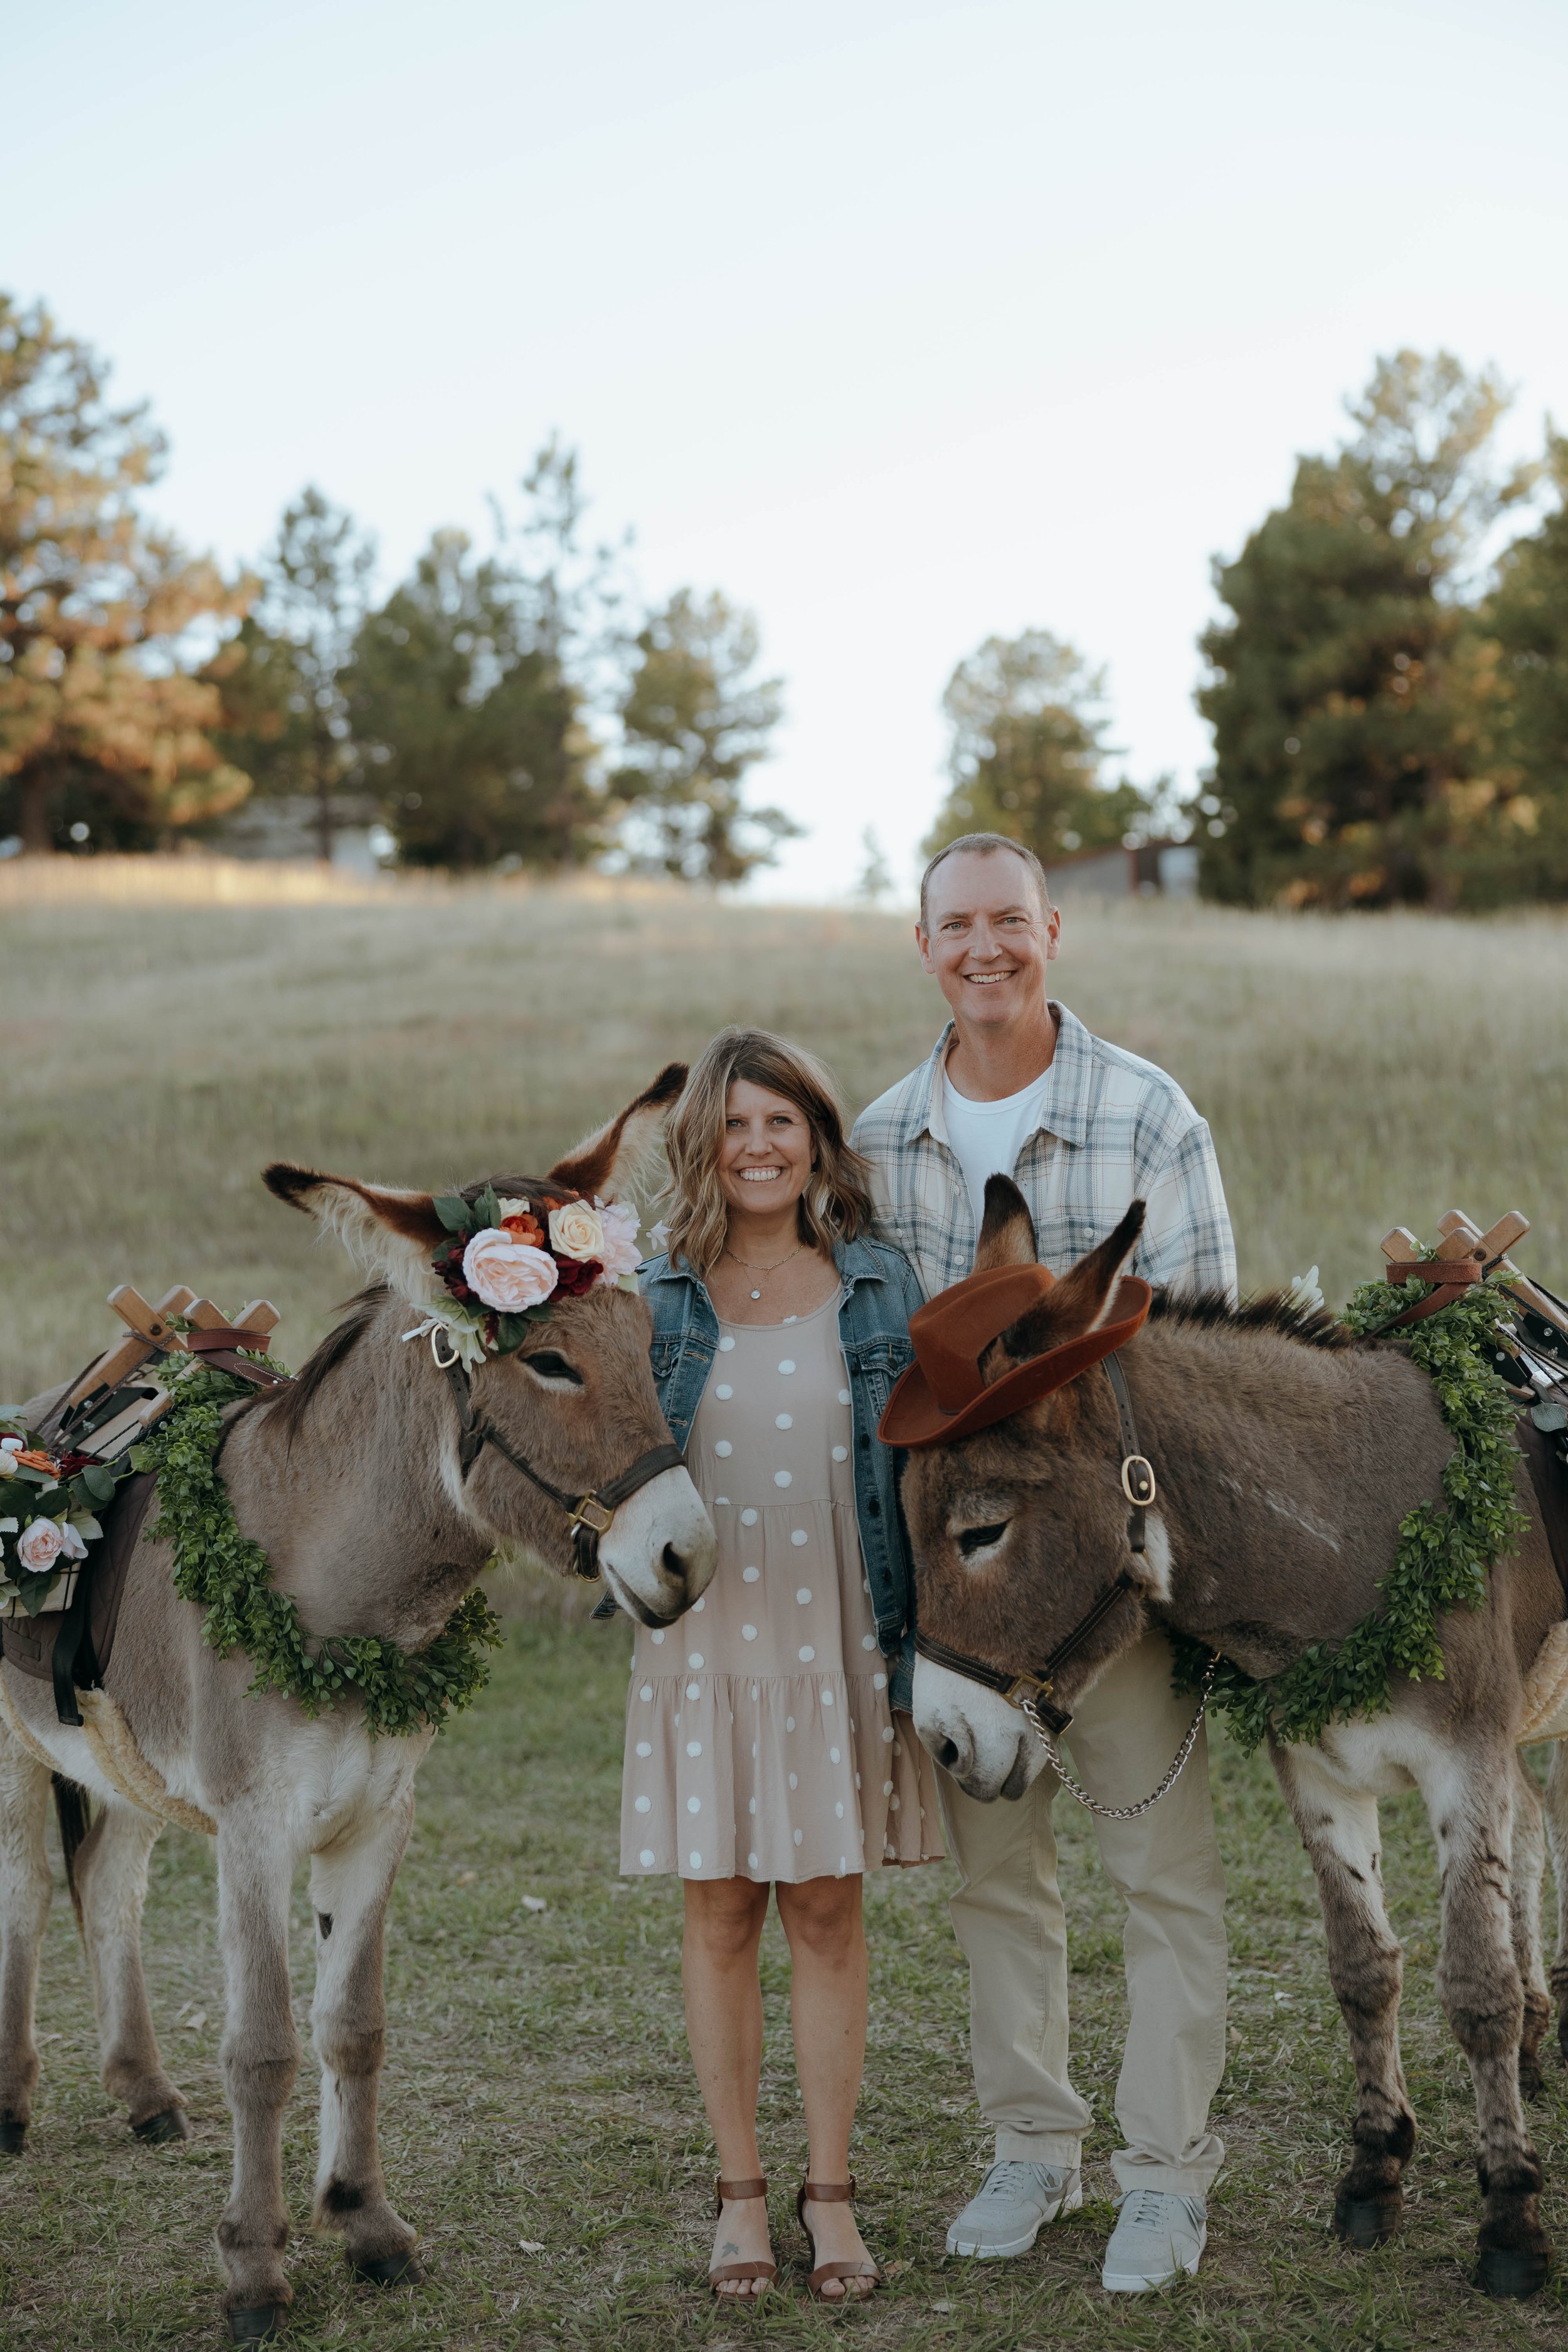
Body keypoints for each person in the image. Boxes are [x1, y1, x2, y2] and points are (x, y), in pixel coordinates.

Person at [851, 832, 1235, 2296]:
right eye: (956, 926)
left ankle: (1161, 2174)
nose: (983, 948)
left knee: (1161, 1876)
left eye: (1008, 920)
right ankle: (1028, 2146)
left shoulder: (1148, 1117)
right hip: (963, 1594)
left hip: (1103, 1588)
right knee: (994, 1880)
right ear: (923, 944)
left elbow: (1194, 1358)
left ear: (1054, 931)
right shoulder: (880, 1140)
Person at [624, 1026, 943, 2301]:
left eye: (780, 1121)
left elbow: (920, 1462)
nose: (758, 1147)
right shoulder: (652, 1297)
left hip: (839, 1627)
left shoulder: (876, 1283)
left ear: (814, 1136)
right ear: (701, 1144)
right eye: (734, 1125)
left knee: (822, 1908)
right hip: (702, 1643)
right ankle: (740, 2195)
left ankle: (831, 2192)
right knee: (715, 1913)